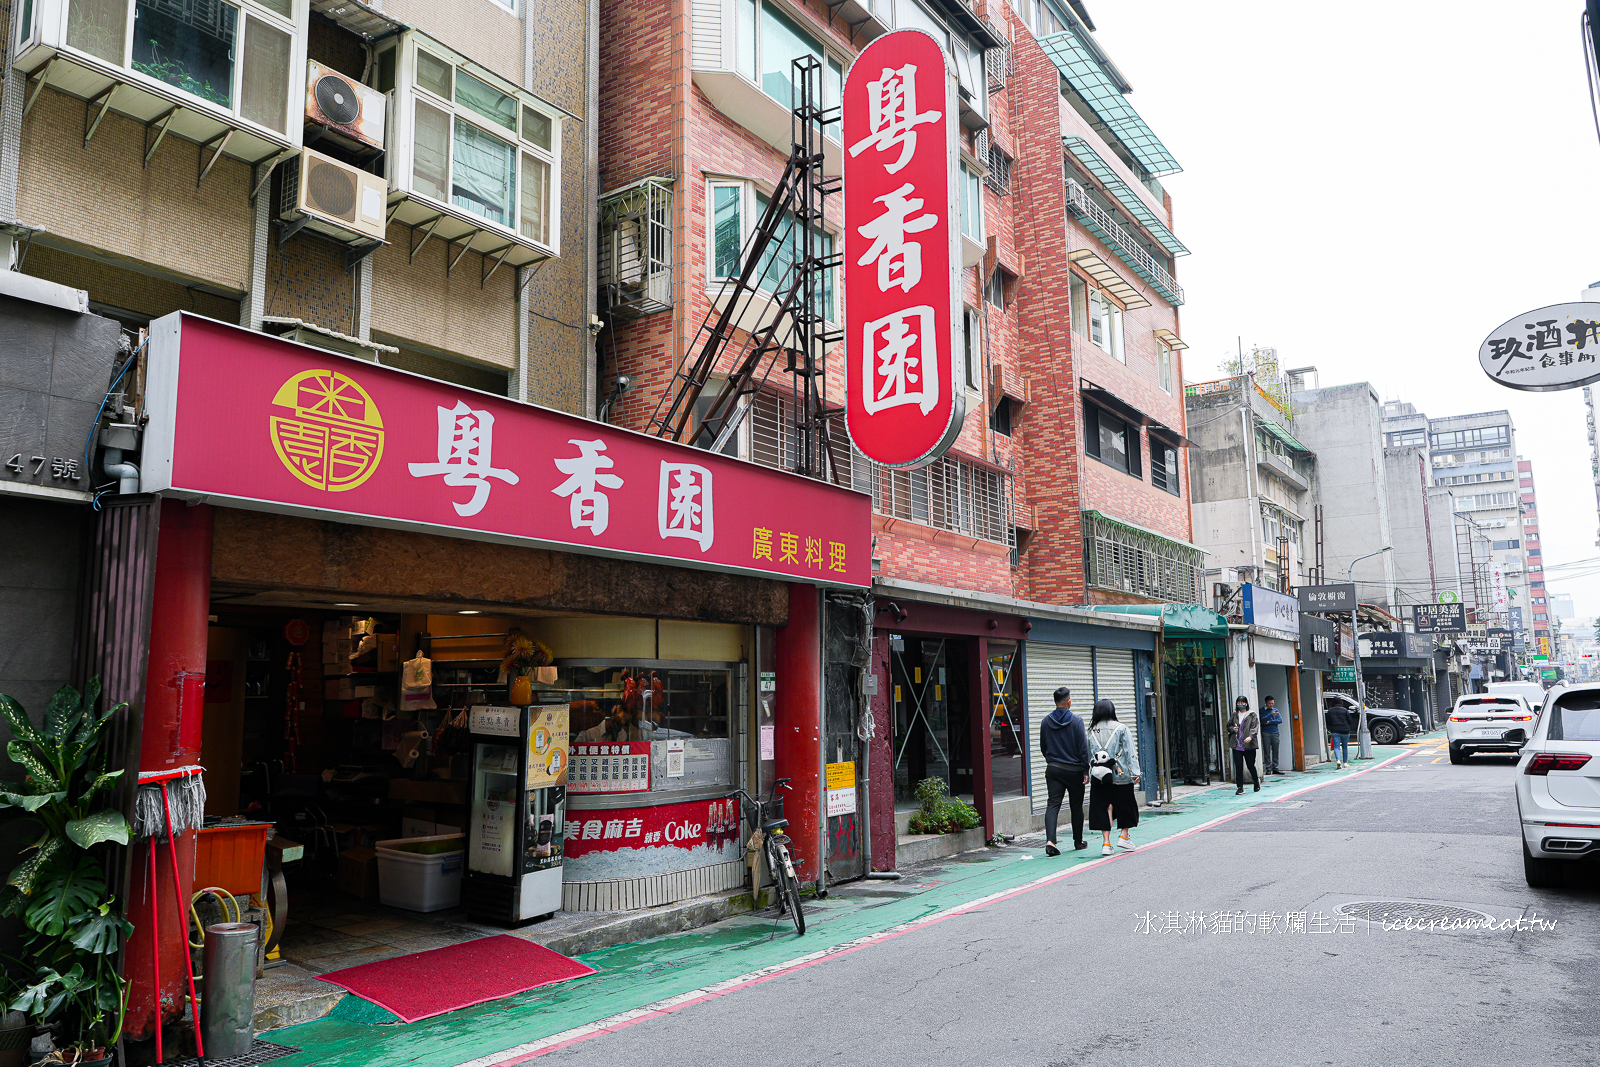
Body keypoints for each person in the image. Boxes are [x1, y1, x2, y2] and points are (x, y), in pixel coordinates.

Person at [1038, 686, 1091, 856]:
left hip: (1053, 769)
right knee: (1076, 806)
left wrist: (1052, 760)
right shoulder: (1077, 721)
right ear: (1069, 702)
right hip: (1074, 770)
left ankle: (1050, 841)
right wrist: (1085, 769)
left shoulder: (1046, 721)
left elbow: (1043, 747)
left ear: (1055, 702)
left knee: (1053, 804)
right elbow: (1083, 748)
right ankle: (1078, 841)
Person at [1087, 699, 1139, 855]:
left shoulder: (1091, 731)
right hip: (1120, 774)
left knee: (1105, 807)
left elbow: (1088, 754)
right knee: (1126, 805)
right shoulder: (1121, 728)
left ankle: (1106, 843)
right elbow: (1130, 752)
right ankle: (1124, 835)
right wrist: (1135, 772)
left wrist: (1089, 772)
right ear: (1112, 711)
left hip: (1099, 777)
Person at [1228, 696, 1260, 795]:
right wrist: (1233, 729)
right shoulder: (1234, 715)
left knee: (1250, 765)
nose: (1241, 704)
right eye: (1239, 703)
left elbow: (1255, 727)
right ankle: (1240, 787)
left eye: (1243, 702)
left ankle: (1256, 781)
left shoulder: (1252, 715)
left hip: (1248, 745)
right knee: (1238, 766)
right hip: (1237, 744)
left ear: (1246, 703)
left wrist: (1250, 737)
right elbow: (1228, 726)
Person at [1324, 699, 1354, 769]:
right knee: (1345, 747)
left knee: (1336, 747)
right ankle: (1345, 763)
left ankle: (1338, 760)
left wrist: (1330, 728)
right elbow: (1350, 720)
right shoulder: (1344, 710)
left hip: (1335, 731)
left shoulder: (1330, 711)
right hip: (1345, 730)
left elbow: (1328, 721)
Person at [1259, 695, 1283, 776]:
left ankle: (1275, 767)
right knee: (1267, 751)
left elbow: (1280, 720)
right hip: (1266, 732)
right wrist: (1271, 715)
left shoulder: (1276, 710)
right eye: (1270, 703)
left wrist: (1269, 722)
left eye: (1272, 703)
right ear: (1266, 703)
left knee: (1275, 751)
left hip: (1275, 732)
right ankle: (1268, 768)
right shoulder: (1261, 710)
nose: (1271, 705)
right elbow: (1262, 720)